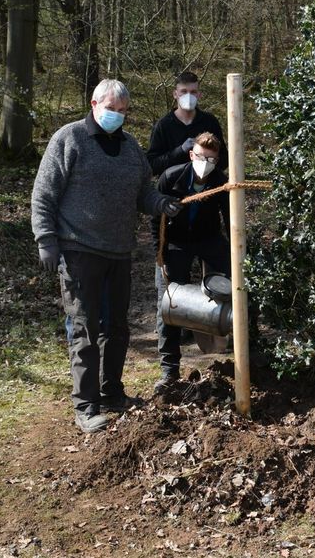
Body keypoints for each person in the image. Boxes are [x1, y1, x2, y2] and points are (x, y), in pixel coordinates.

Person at [31, 79, 183, 434]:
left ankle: (112, 392)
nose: (116, 115)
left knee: (116, 327)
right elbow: (44, 193)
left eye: (122, 111)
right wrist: (46, 240)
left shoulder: (131, 148)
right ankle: (86, 406)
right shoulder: (68, 140)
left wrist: (160, 203)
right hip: (79, 250)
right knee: (85, 327)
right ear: (94, 103)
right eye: (111, 108)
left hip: (119, 251)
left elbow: (143, 192)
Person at [151, 132, 231, 393]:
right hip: (175, 242)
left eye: (211, 158)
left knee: (237, 288)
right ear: (191, 154)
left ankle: (247, 349)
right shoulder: (171, 176)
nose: (204, 162)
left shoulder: (221, 182)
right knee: (169, 300)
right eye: (200, 156)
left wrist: (236, 256)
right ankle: (169, 370)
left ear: (217, 161)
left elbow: (230, 219)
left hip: (209, 238)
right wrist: (160, 254)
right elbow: (156, 219)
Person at [146, 72, 227, 176]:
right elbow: (152, 165)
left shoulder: (210, 122)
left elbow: (224, 159)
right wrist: (180, 150)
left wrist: (206, 159)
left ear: (199, 95)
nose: (188, 96)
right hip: (172, 187)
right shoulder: (163, 125)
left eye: (193, 92)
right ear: (175, 94)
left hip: (207, 186)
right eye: (183, 92)